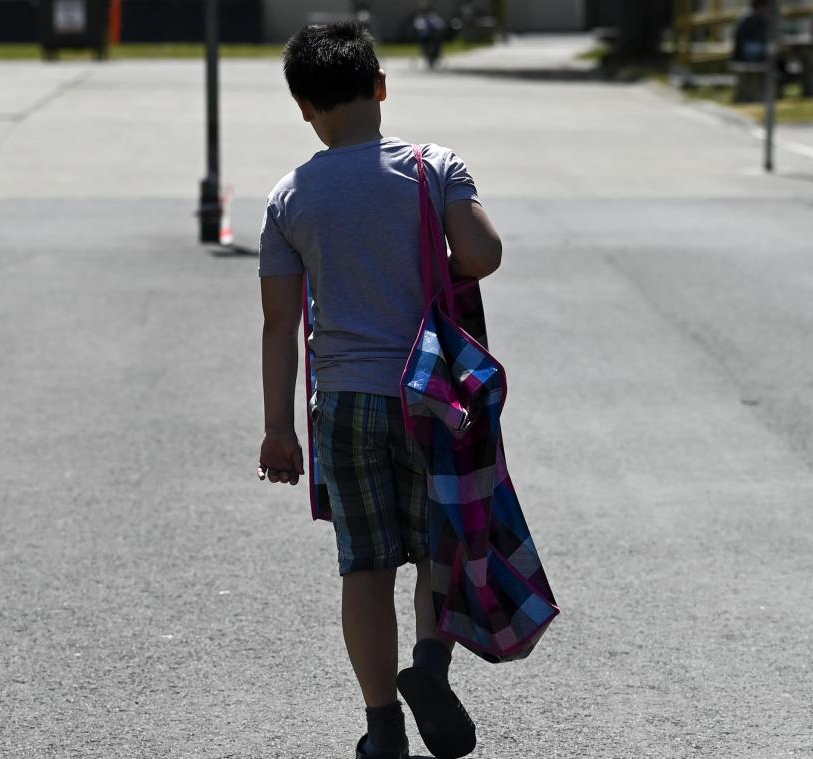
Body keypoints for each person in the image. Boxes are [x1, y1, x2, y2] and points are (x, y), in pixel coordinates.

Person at [256, 21, 503, 759]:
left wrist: (279, 429)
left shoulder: (290, 195)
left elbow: (278, 322)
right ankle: (428, 665)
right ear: (381, 87)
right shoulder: (434, 167)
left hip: (345, 399)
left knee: (363, 564)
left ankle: (382, 726)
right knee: (435, 547)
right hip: (431, 395)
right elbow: (483, 255)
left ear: (303, 107)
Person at [411, 1, 448, 69]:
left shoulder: (433, 17)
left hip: (433, 37)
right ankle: (428, 56)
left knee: (437, 44)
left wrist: (439, 28)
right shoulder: (421, 18)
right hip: (425, 37)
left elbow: (440, 24)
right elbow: (419, 25)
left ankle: (436, 56)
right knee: (423, 47)